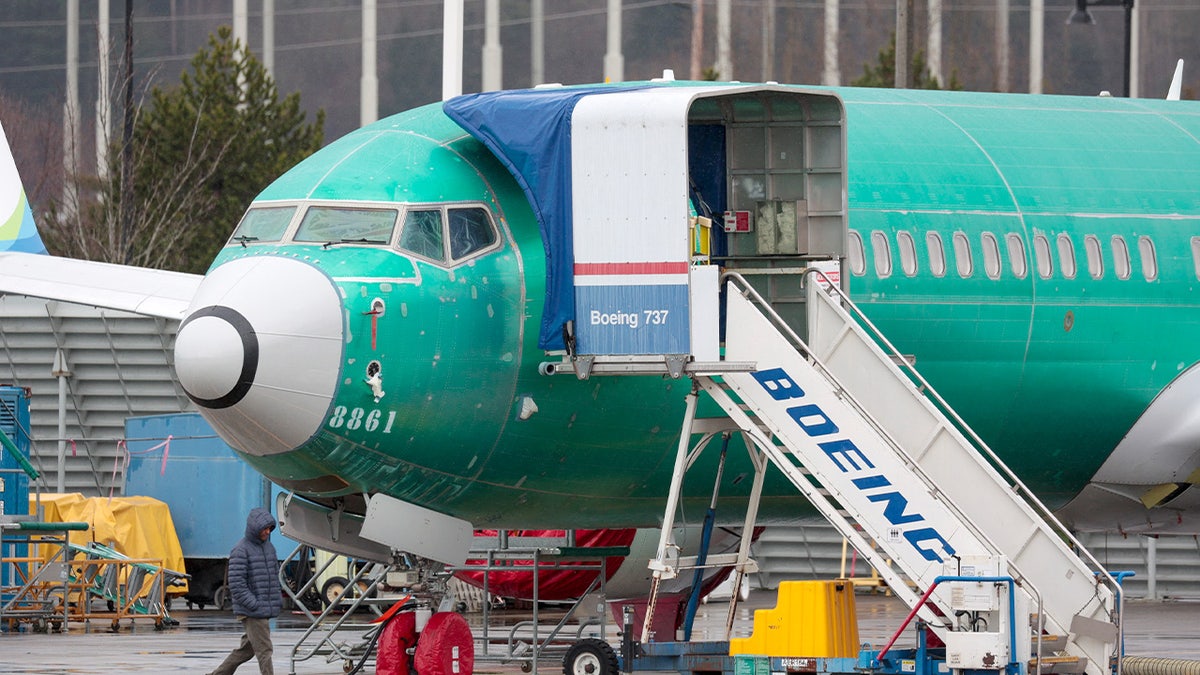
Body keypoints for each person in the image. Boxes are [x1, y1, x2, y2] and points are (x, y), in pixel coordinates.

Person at [208, 507, 283, 675]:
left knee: (247, 650)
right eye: (264, 528)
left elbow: (273, 576)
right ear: (254, 528)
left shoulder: (269, 548)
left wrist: (276, 600)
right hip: (253, 611)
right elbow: (236, 583)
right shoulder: (241, 550)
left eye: (269, 528)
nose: (267, 531)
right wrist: (254, 605)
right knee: (265, 650)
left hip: (262, 608)